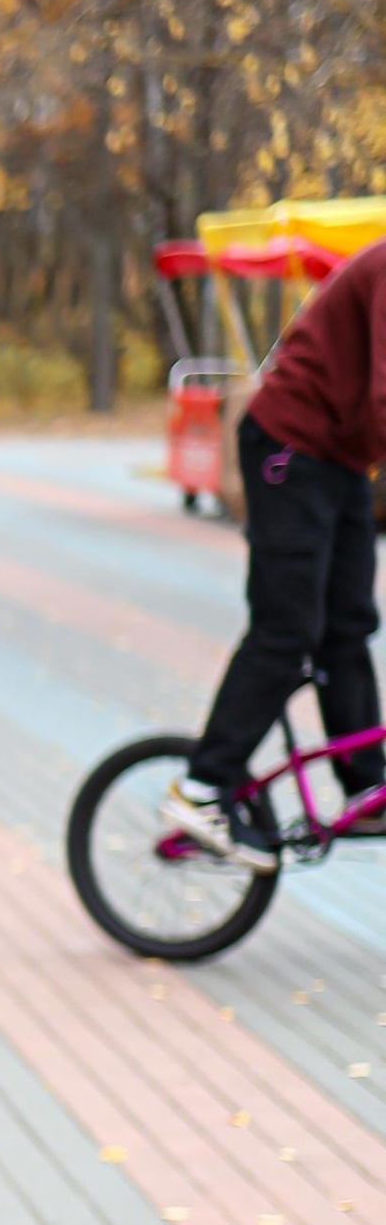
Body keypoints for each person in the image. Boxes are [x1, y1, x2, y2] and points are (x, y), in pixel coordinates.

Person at [170, 243, 386, 866]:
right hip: (289, 445)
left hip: (340, 458)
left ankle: (364, 785)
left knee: (347, 626)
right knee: (287, 629)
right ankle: (204, 786)